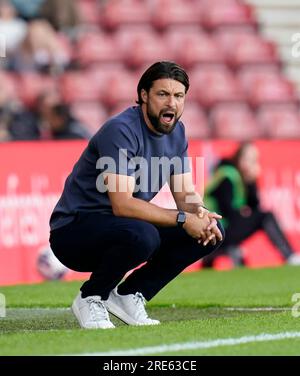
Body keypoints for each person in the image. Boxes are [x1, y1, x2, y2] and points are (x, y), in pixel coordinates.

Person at [49, 61, 224, 330]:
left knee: (208, 233)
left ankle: (131, 294)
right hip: (74, 232)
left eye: (178, 96)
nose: (172, 103)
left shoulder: (178, 132)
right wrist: (182, 219)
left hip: (122, 229)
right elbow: (123, 204)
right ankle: (91, 296)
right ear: (144, 95)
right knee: (144, 234)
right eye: (162, 94)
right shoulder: (121, 130)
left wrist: (200, 213)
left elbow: (185, 193)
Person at [203, 142, 300, 268]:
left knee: (260, 217)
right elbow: (225, 211)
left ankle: (216, 254)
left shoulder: (238, 177)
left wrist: (251, 181)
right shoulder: (227, 175)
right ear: (239, 158)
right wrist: (241, 213)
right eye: (249, 159)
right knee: (266, 216)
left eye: (254, 160)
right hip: (215, 229)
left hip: (220, 229)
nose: (252, 163)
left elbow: (254, 205)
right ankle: (289, 255)